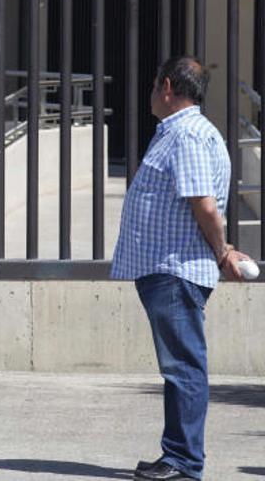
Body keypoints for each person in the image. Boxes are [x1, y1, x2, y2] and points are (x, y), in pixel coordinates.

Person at [111, 55, 251, 480]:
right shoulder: (183, 133)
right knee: (178, 367)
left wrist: (223, 250)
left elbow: (204, 204)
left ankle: (185, 463)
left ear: (168, 87)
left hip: (175, 270)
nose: (152, 94)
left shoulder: (187, 135)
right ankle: (176, 454)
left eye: (155, 86)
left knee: (183, 367)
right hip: (169, 269)